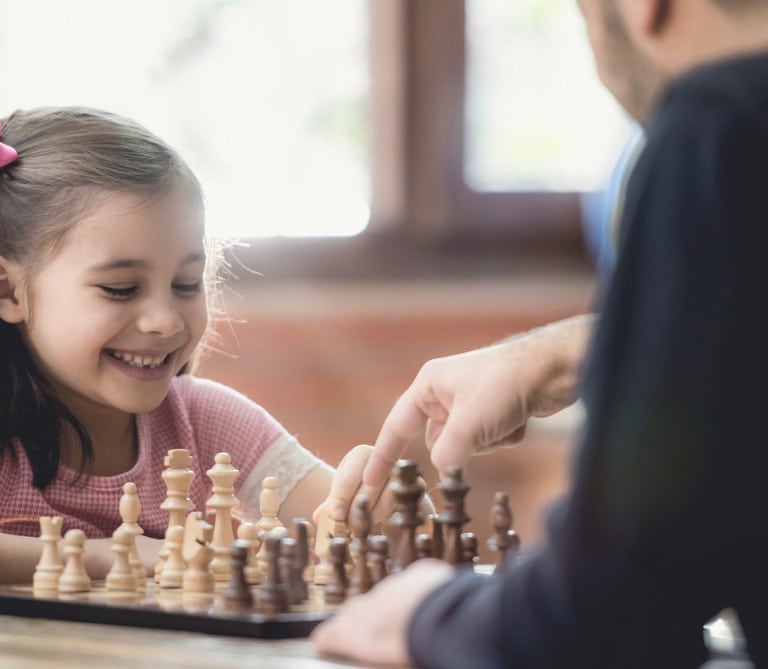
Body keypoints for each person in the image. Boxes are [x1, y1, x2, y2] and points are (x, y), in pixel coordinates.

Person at [313, 0, 768, 666]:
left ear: (646, 8)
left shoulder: (721, 123)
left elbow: (608, 614)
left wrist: (429, 614)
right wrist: (564, 352)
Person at [0, 107, 336, 601]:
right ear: (7, 291)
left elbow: (355, 520)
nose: (165, 320)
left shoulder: (205, 421)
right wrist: (107, 555)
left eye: (187, 283)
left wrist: (371, 485)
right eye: (120, 288)